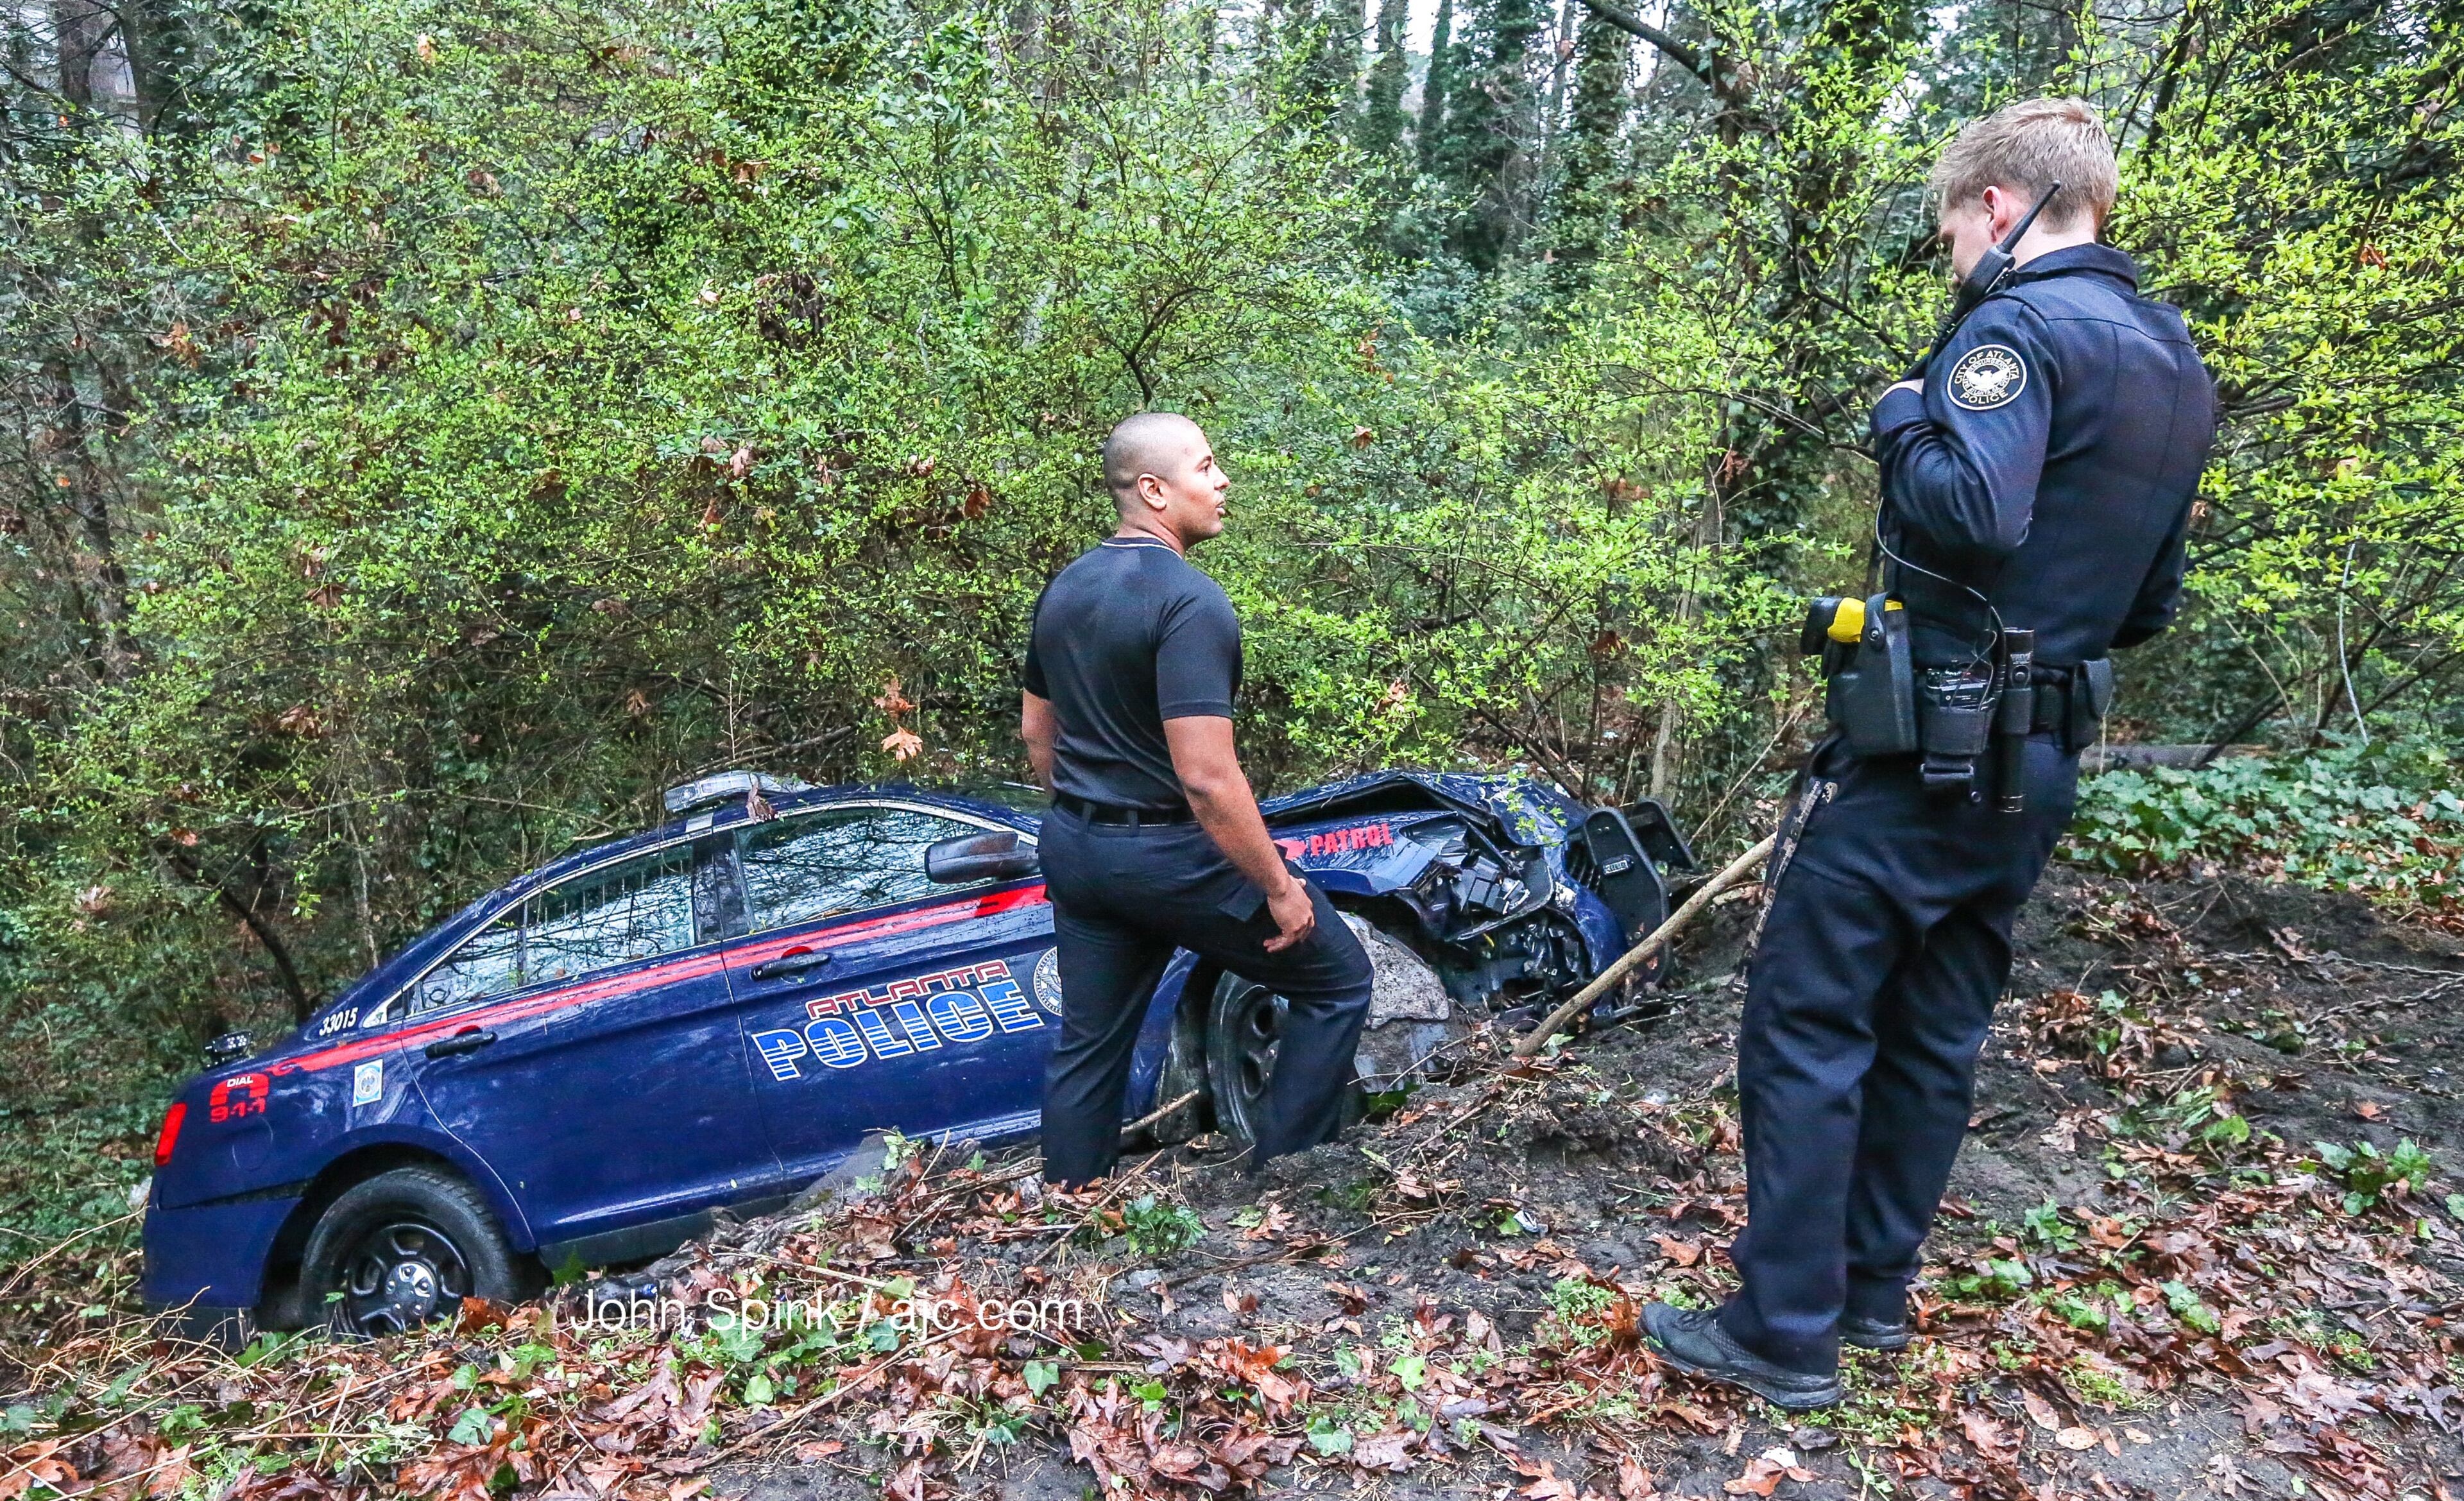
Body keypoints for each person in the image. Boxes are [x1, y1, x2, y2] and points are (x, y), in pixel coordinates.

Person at [1642, 98, 2219, 1409]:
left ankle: (1782, 1326)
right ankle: (1869, 1289)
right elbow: (2149, 602)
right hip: (2040, 757)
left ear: (2001, 208)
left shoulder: (2012, 329)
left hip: (1927, 752)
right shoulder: (2175, 359)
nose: (1956, 252)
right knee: (1937, 1027)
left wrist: (1905, 412)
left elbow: (1970, 506)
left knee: (1806, 1016)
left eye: (1955, 227)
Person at [1021, 412, 1374, 1186]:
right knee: (1338, 978)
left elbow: (1037, 733)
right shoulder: (1190, 603)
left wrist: (1090, 815)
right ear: (1153, 489)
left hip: (1079, 848)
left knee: (1090, 1044)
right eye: (1207, 467)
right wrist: (1279, 887)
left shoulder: (1065, 587)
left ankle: (1068, 1212)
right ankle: (1285, 1184)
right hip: (1172, 855)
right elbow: (1209, 778)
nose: (1222, 482)